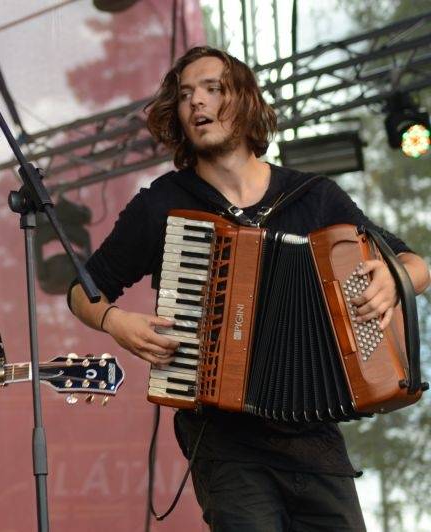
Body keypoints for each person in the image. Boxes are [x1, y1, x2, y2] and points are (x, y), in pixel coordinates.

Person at [68, 46, 430, 531]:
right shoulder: (163, 205)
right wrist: (114, 322)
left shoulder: (314, 196)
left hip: (311, 434)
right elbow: (84, 289)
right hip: (222, 439)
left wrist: (393, 278)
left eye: (213, 89)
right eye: (185, 95)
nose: (197, 102)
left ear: (245, 100)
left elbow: (413, 263)